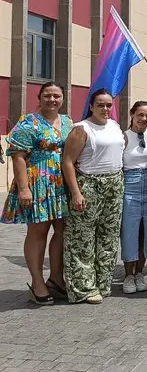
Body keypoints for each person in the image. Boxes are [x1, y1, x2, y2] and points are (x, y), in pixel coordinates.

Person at [2, 82, 72, 305]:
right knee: (38, 232)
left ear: (63, 99)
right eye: (48, 95)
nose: (52, 100)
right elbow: (18, 156)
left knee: (63, 231)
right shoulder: (28, 122)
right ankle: (37, 283)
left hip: (62, 185)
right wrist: (24, 189)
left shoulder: (68, 122)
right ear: (39, 97)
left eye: (57, 96)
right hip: (37, 183)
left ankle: (56, 279)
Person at [61, 89, 125, 304]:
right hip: (89, 183)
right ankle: (83, 288)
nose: (105, 109)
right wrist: (76, 193)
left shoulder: (115, 126)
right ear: (91, 106)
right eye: (101, 105)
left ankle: (102, 283)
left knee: (108, 236)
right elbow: (68, 162)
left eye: (109, 105)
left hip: (114, 184)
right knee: (82, 237)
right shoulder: (81, 129)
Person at [120, 100, 147, 294]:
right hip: (130, 183)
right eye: (140, 115)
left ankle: (139, 273)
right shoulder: (123, 137)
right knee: (130, 230)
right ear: (132, 114)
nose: (144, 119)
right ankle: (128, 274)